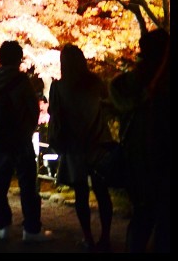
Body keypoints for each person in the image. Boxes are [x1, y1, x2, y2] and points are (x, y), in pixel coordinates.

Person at [0, 41, 51, 242]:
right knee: (28, 183)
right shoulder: (20, 81)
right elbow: (31, 108)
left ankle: (2, 226)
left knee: (0, 181)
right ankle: (31, 229)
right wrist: (28, 130)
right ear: (18, 58)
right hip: (19, 138)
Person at [48, 44, 113, 252]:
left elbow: (54, 115)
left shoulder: (58, 87)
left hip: (74, 146)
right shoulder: (95, 83)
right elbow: (109, 105)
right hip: (98, 143)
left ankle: (88, 238)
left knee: (81, 194)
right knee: (102, 193)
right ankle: (105, 237)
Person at [110, 28, 170, 253]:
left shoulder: (129, 83)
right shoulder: (155, 85)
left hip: (139, 161)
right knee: (163, 222)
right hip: (159, 160)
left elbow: (116, 95)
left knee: (142, 217)